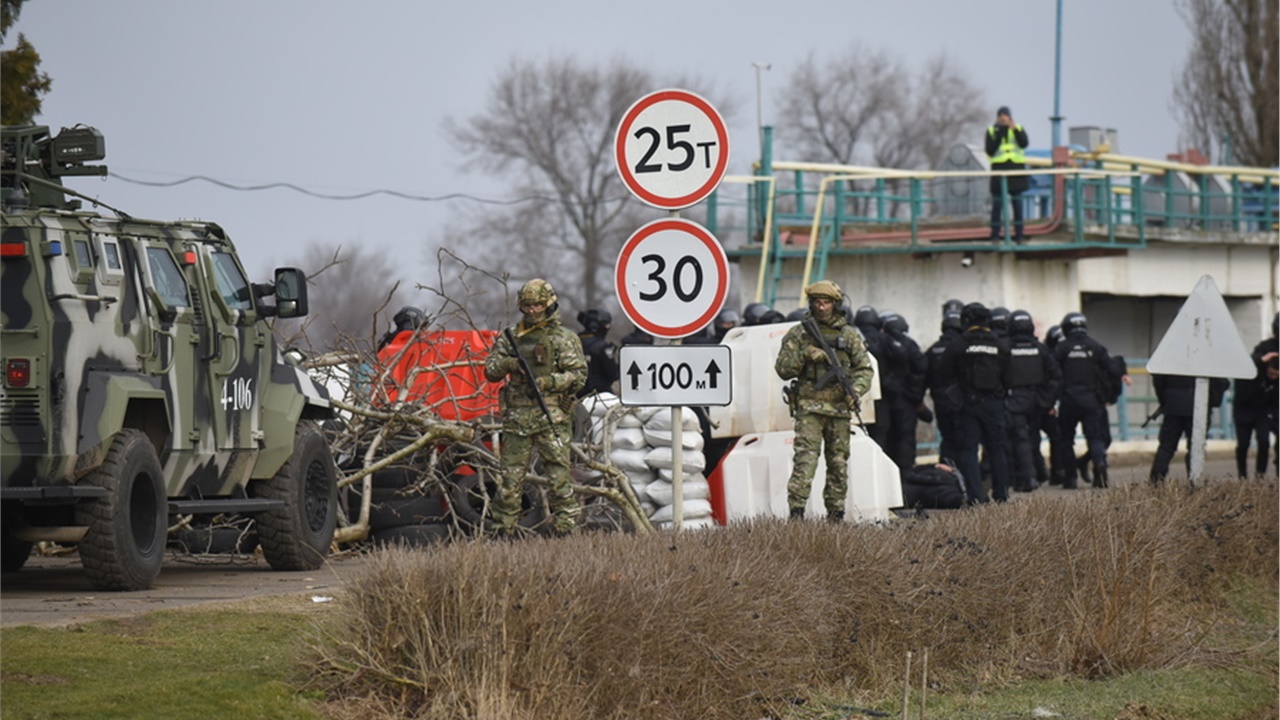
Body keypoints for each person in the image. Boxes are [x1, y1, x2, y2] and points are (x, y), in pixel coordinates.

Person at [484, 279, 587, 535]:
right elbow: (489, 371)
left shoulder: (563, 338)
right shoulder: (511, 338)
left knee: (559, 479)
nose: (532, 311)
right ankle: (503, 532)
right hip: (518, 419)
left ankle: (566, 531)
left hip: (551, 417)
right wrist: (508, 364)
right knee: (509, 480)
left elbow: (578, 375)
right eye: (528, 305)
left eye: (538, 305)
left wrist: (548, 381)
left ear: (549, 304)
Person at [774, 281, 874, 522]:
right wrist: (805, 354)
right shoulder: (800, 333)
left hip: (839, 409)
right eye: (817, 302)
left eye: (826, 302)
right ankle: (796, 513)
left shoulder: (849, 335)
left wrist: (855, 392)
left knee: (838, 465)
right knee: (805, 462)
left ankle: (835, 515)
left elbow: (865, 370)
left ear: (835, 304)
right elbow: (782, 368)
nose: (821, 307)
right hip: (809, 407)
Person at [941, 302, 1012, 503]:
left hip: (968, 404)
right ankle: (1001, 494)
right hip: (994, 404)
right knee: (997, 449)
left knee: (969, 451)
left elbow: (943, 372)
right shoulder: (999, 344)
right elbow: (1009, 378)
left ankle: (975, 496)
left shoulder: (959, 343)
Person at [1053, 312, 1113, 489]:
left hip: (1068, 401)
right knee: (1095, 438)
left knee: (1066, 439)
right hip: (1092, 401)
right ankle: (1100, 469)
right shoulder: (1095, 347)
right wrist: (1107, 396)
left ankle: (1070, 478)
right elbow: (1111, 370)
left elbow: (1052, 373)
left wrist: (1052, 399)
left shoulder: (1061, 348)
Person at [1004, 310, 1061, 492]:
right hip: (1036, 401)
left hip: (1013, 400)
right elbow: (1055, 377)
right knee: (1033, 439)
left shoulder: (1005, 347)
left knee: (1019, 439)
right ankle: (1036, 475)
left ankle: (1027, 478)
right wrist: (1046, 401)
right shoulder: (1040, 349)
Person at [1148, 373, 1229, 483]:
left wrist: (1166, 398)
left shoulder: (1171, 358)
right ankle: (1194, 484)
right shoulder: (1207, 357)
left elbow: (1158, 378)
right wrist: (1210, 399)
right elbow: (1222, 381)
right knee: (1195, 448)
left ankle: (1155, 484)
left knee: (1166, 448)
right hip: (1199, 407)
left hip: (1173, 406)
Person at [879, 310, 928, 472]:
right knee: (905, 441)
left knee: (886, 441)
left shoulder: (878, 344)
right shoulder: (909, 344)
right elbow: (922, 368)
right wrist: (915, 396)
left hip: (884, 403)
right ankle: (906, 480)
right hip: (906, 403)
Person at [1232, 313, 1278, 478]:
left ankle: (1260, 476)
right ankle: (1242, 476)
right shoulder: (1264, 350)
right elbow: (1248, 362)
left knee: (1264, 442)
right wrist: (1263, 360)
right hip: (1245, 407)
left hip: (1265, 408)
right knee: (1243, 444)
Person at [926, 309, 965, 465]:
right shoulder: (963, 347)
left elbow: (924, 377)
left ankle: (947, 475)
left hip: (941, 402)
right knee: (963, 441)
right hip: (962, 402)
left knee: (948, 439)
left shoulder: (933, 350)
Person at [985, 106, 1029, 242]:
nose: (1003, 119)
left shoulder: (1019, 128)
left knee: (1018, 205)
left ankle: (1019, 235)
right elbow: (990, 150)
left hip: (1016, 171)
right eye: (1001, 116)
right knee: (997, 205)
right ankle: (995, 234)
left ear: (1010, 117)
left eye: (1006, 116)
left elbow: (1024, 143)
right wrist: (1000, 132)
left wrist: (1014, 129)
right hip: (999, 171)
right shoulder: (992, 130)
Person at [576, 308, 619, 398]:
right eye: (606, 325)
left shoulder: (573, 342)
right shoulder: (602, 347)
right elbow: (613, 374)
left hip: (577, 395)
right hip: (600, 395)